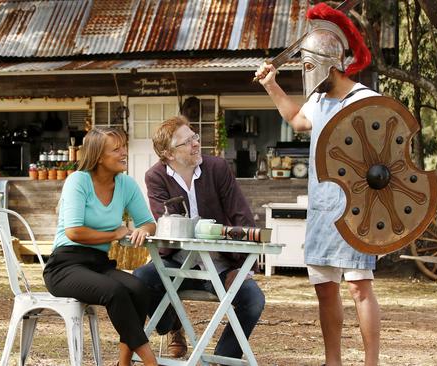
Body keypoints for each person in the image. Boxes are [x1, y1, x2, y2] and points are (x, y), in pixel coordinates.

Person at [255, 3, 380, 366]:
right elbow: (295, 120)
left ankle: (371, 362)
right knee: (326, 290)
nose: (307, 73)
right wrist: (271, 84)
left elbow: (386, 156)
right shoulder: (319, 101)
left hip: (357, 210)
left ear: (330, 62)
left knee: (359, 287)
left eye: (309, 65)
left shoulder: (367, 101)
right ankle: (333, 361)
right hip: (322, 211)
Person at [133, 115, 265, 360]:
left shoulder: (217, 168)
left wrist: (246, 267)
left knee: (253, 300)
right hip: (177, 265)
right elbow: (168, 223)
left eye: (194, 137)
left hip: (221, 265)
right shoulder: (156, 177)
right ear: (169, 153)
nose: (196, 144)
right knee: (141, 278)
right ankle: (172, 324)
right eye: (187, 142)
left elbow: (241, 214)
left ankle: (223, 358)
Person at [42, 127, 158, 366]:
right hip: (64, 266)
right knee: (115, 291)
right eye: (116, 149)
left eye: (124, 146)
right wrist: (114, 233)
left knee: (139, 288)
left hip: (99, 264)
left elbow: (148, 223)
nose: (124, 152)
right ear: (98, 157)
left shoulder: (126, 184)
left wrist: (141, 231)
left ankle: (123, 363)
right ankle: (150, 363)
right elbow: (73, 232)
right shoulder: (78, 181)